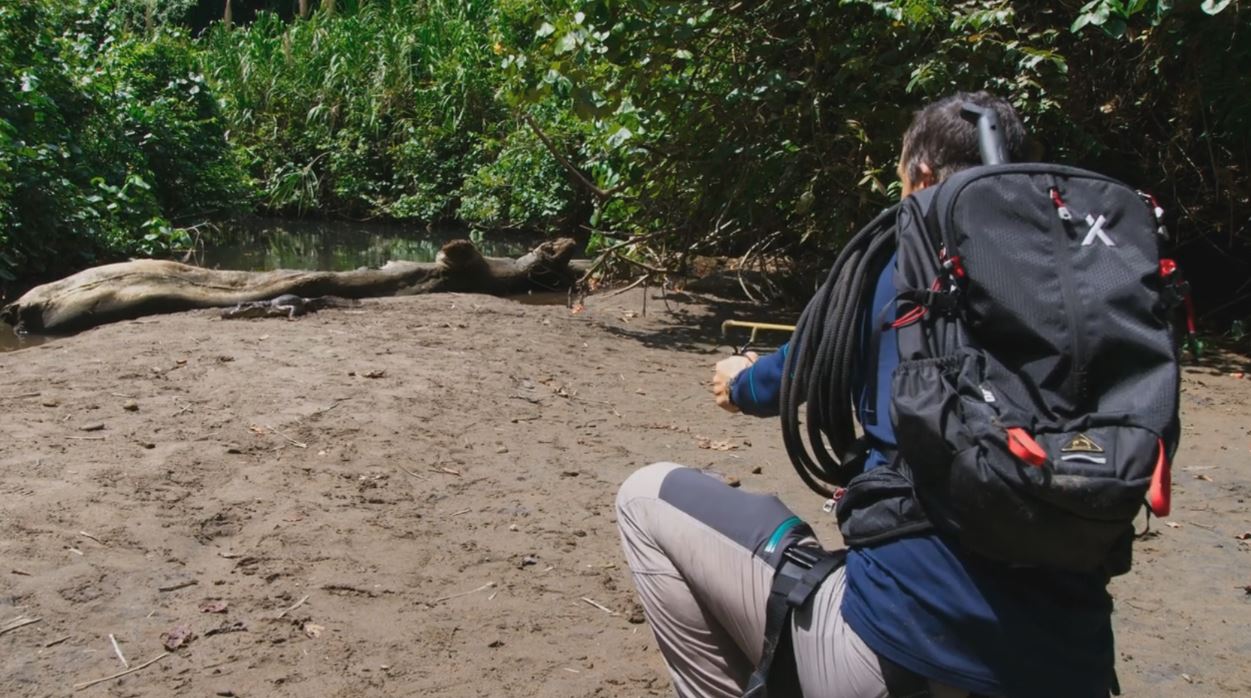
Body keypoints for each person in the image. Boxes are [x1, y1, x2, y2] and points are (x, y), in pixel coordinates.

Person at [615, 92, 1116, 698]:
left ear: (922, 177)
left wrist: (739, 379)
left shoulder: (905, 259)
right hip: (1077, 670)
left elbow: (791, 374)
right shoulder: (1086, 284)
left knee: (644, 496)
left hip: (905, 660)